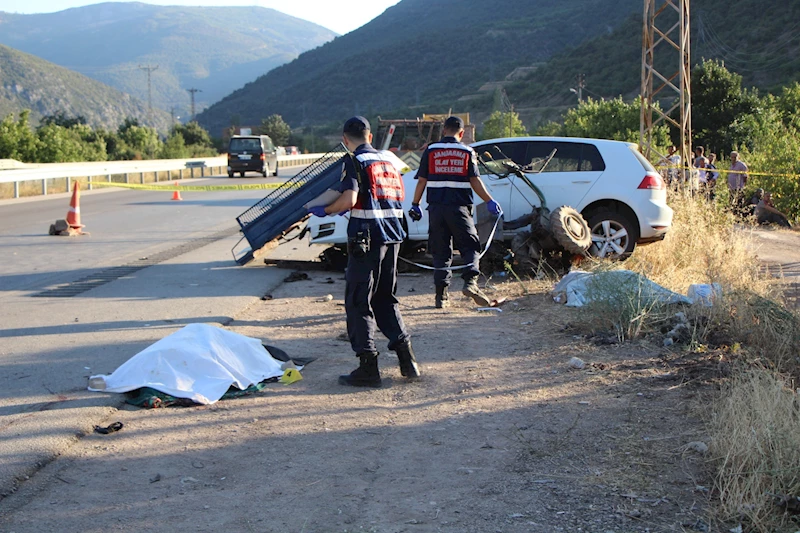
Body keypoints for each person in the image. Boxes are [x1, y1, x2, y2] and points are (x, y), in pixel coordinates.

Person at [307, 116, 419, 388]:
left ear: (346, 140)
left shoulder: (353, 161)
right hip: (393, 235)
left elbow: (350, 199)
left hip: (366, 238)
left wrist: (327, 210)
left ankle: (368, 366)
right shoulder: (389, 161)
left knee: (358, 300)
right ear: (370, 136)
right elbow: (396, 196)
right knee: (385, 298)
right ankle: (407, 360)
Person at [408, 116, 502, 308]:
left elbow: (422, 181)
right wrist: (489, 201)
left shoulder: (431, 150)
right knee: (470, 246)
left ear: (444, 130)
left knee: (441, 251)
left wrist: (415, 204)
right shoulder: (467, 151)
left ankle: (441, 297)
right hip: (459, 209)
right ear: (461, 133)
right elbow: (475, 181)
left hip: (435, 209)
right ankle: (471, 283)